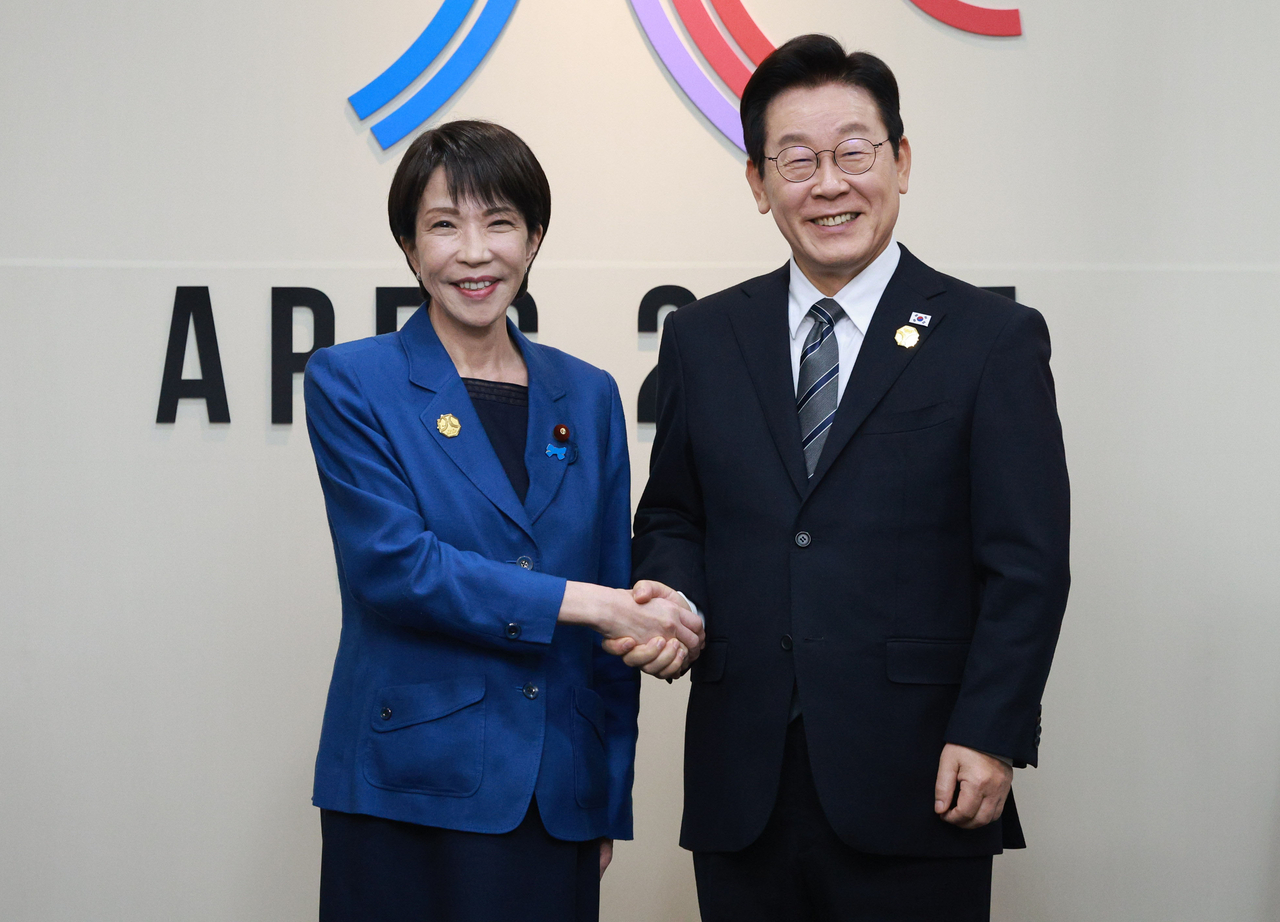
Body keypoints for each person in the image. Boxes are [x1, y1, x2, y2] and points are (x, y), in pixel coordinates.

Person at [621, 35, 1071, 922]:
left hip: (920, 774)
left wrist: (990, 732)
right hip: (743, 776)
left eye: (854, 153)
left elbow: (1027, 563)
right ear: (758, 184)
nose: (829, 184)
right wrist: (674, 600)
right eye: (797, 159)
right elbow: (674, 513)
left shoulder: (990, 340)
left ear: (900, 162)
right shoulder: (704, 339)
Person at [303, 120, 703, 922]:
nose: (475, 252)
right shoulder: (352, 381)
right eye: (444, 225)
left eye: (500, 223)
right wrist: (593, 603)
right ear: (411, 249)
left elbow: (613, 592)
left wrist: (603, 793)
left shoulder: (585, 394)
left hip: (554, 794)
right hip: (405, 784)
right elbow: (396, 570)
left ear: (535, 238)